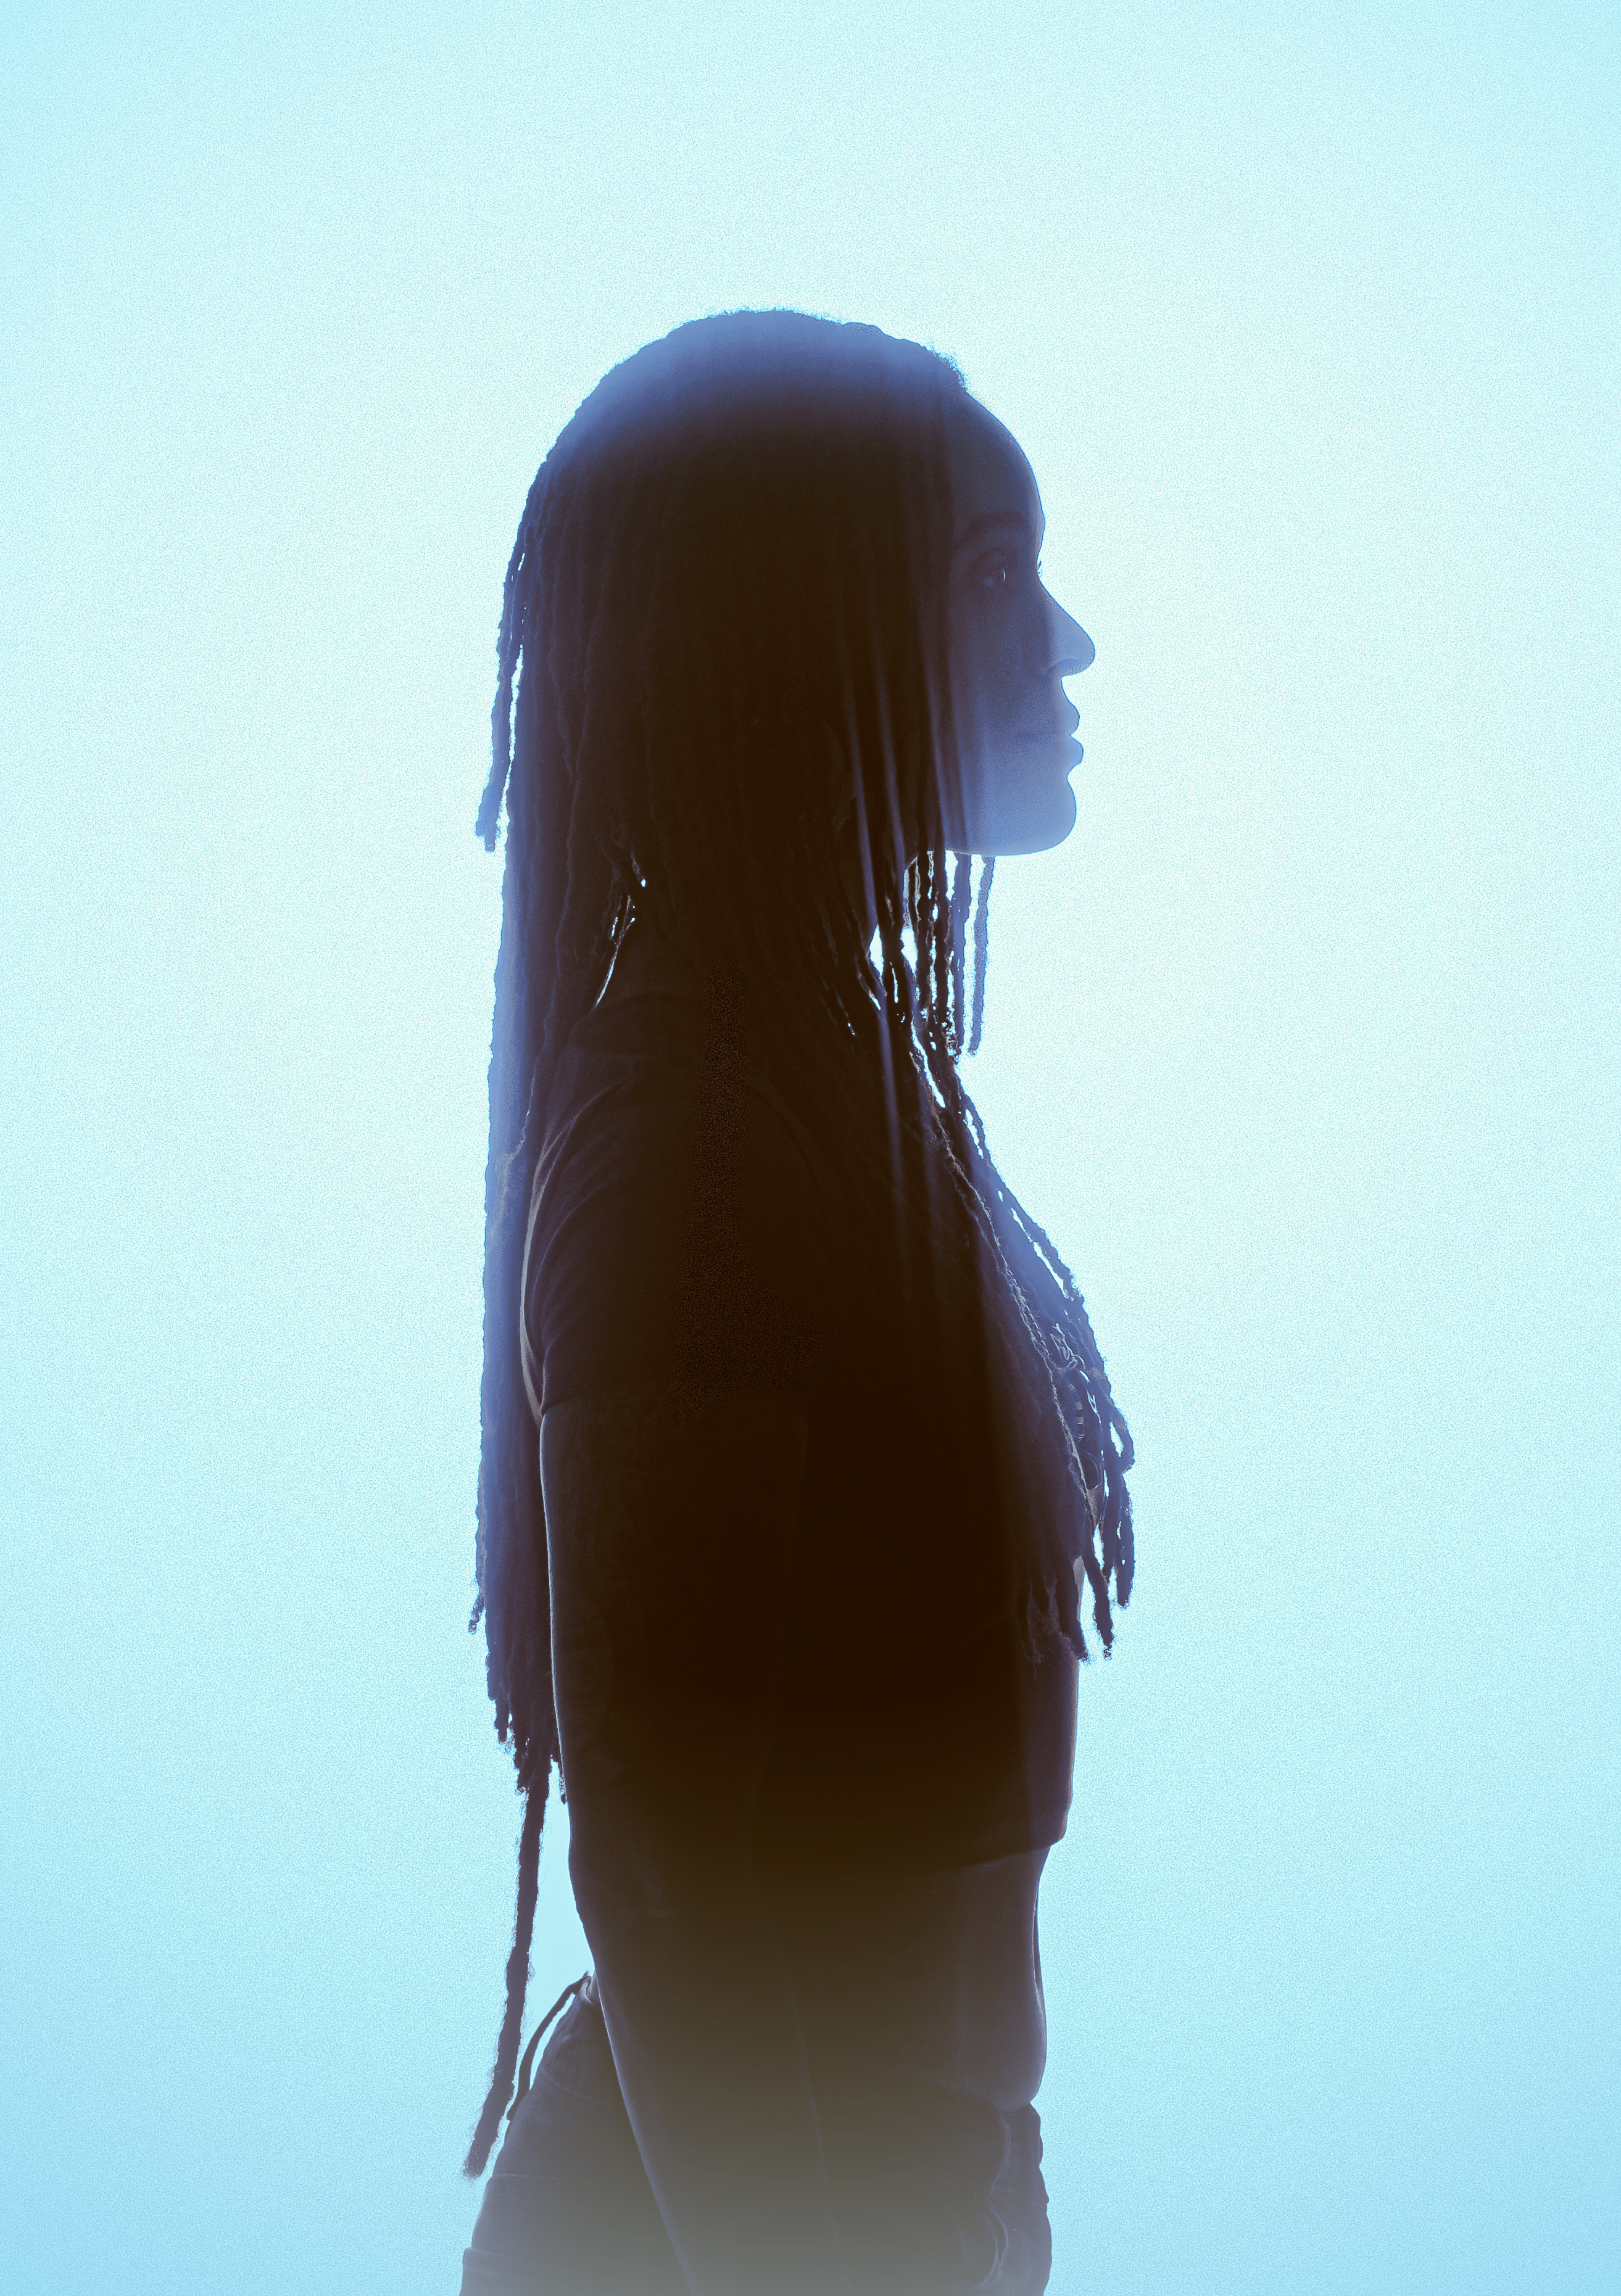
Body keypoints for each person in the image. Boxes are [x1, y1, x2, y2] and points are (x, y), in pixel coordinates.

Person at [455, 310, 1140, 2294]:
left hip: (873, 2175)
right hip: (741, 2203)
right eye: (997, 575)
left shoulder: (830, 1079)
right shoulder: (692, 1127)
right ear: (787, 634)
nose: (1070, 646)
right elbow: (658, 1867)